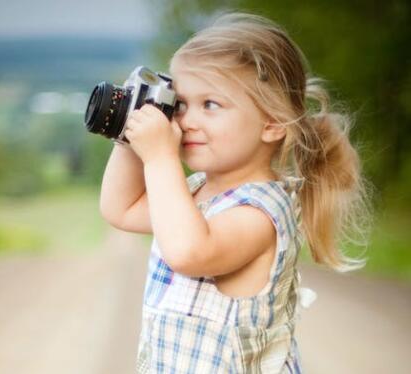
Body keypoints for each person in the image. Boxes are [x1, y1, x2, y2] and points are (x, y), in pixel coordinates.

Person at [99, 11, 374, 373]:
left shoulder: (261, 212)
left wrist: (161, 156)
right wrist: (130, 135)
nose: (186, 120)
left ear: (272, 123)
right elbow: (121, 209)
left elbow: (189, 251)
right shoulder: (194, 193)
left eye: (210, 105)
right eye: (180, 104)